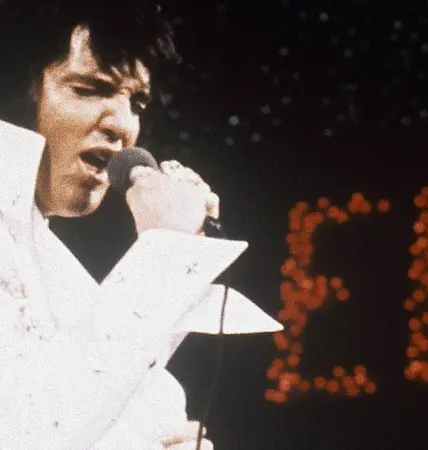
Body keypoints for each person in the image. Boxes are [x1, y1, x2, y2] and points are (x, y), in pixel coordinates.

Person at [0, 0, 281, 448]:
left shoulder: (48, 260)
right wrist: (164, 250)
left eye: (137, 102)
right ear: (15, 94)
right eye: (89, 89)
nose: (123, 125)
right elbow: (35, 435)